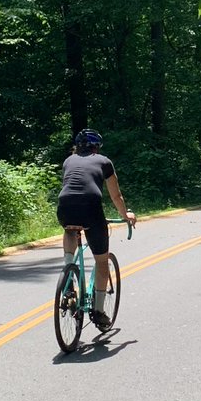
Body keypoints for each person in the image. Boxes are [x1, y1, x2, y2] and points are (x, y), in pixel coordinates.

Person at [57, 128, 137, 331]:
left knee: (70, 229)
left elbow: (73, 185)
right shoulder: (104, 161)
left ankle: (68, 269)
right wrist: (124, 215)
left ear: (77, 146)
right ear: (97, 147)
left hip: (64, 206)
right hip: (90, 209)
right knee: (102, 262)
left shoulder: (68, 161)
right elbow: (116, 196)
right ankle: (99, 312)